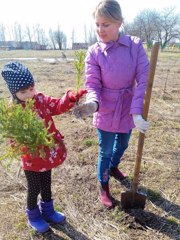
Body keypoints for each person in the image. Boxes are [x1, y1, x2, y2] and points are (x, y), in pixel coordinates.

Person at [73, 0, 150, 208]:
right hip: (105, 108)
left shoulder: (135, 46)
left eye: (106, 24)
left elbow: (143, 79)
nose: (100, 30)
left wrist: (136, 112)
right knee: (105, 150)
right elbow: (93, 83)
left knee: (123, 144)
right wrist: (93, 103)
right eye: (97, 24)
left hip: (127, 107)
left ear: (119, 23)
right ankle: (104, 185)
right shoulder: (94, 52)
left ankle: (114, 167)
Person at [1, 61, 87, 233]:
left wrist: (70, 98)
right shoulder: (14, 111)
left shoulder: (40, 99)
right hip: (31, 157)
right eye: (23, 92)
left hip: (46, 153)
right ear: (14, 92)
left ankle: (48, 211)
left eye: (31, 89)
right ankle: (33, 216)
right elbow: (14, 140)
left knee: (46, 183)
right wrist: (27, 144)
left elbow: (57, 105)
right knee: (34, 187)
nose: (29, 94)